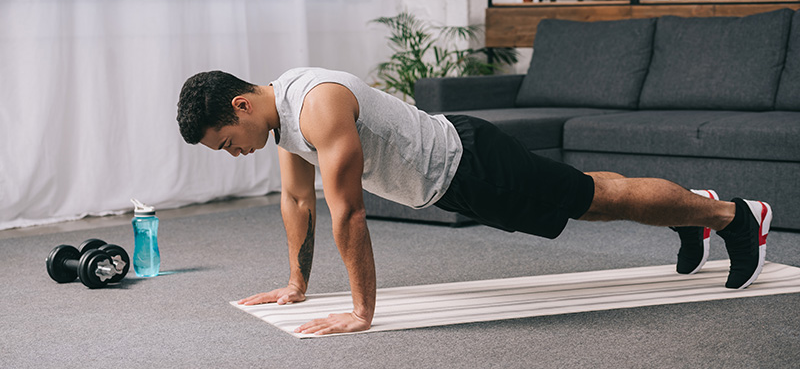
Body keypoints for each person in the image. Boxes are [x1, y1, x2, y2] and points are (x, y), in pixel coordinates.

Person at [176, 67, 773, 336]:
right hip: (455, 179)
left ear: (240, 107)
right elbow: (298, 202)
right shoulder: (283, 121)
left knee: (595, 198)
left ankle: (729, 215)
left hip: (473, 163)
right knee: (590, 197)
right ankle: (695, 212)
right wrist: (296, 284)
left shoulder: (317, 105)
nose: (233, 154)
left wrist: (362, 312)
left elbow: (348, 211)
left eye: (227, 144)